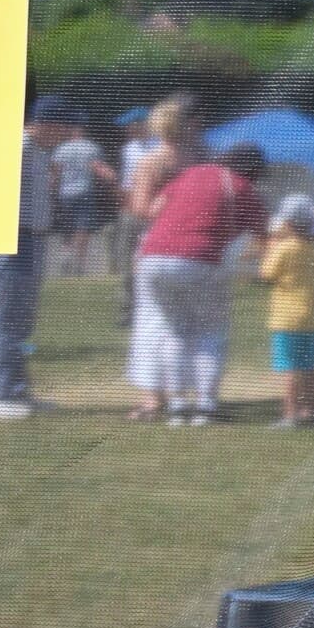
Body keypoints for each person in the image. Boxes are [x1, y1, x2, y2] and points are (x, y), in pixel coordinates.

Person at [137, 140, 267, 425]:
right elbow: (262, 236)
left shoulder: (191, 173)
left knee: (175, 332)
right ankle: (206, 407)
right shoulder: (242, 186)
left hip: (153, 258)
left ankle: (178, 406)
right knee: (209, 333)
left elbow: (154, 209)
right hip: (199, 259)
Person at [0, 91, 61, 420]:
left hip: (31, 238)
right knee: (7, 320)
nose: (67, 134)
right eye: (63, 126)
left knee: (20, 322)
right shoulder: (17, 148)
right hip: (14, 238)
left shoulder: (39, 152)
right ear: (45, 123)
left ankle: (16, 391)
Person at [120, 94, 205, 413]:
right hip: (182, 247)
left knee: (157, 323)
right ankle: (171, 394)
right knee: (176, 323)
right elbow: (142, 208)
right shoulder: (181, 160)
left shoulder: (161, 160)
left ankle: (160, 396)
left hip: (169, 248)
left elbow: (139, 207)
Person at [258, 193, 314, 427]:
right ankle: (312, 409)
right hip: (311, 318)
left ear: (288, 223)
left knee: (291, 370)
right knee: (309, 367)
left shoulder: (284, 248)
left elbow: (266, 274)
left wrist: (270, 248)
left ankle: (290, 414)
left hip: (287, 320)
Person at [46, 109, 117, 277]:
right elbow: (98, 168)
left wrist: (51, 192)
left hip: (65, 194)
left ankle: (66, 254)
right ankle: (78, 260)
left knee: (68, 225)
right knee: (82, 226)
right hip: (84, 192)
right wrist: (112, 178)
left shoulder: (60, 149)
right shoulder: (91, 148)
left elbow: (55, 174)